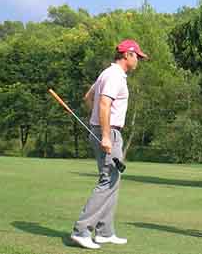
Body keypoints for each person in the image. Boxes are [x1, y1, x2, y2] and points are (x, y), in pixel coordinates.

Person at [70, 39, 148, 250]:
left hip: (105, 130)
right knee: (107, 180)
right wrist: (104, 134)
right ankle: (81, 230)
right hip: (109, 132)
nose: (138, 60)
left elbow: (89, 98)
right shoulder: (114, 76)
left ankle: (104, 232)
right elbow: (104, 103)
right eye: (137, 56)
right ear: (127, 55)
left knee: (113, 179)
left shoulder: (108, 73)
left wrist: (96, 122)